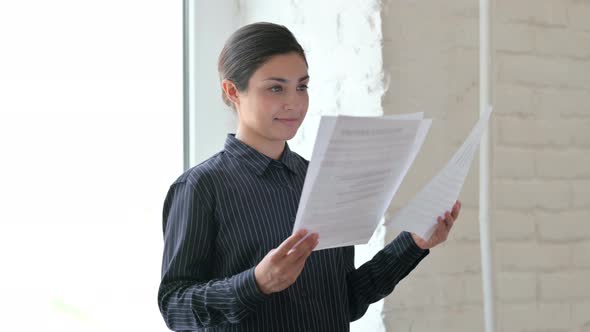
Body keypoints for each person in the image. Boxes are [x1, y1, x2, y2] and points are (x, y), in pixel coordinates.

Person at [158, 22, 461, 332]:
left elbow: (347, 300)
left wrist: (413, 243)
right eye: (276, 87)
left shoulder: (321, 179)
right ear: (233, 91)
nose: (295, 102)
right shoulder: (200, 187)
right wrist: (256, 283)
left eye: (301, 86)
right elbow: (175, 306)